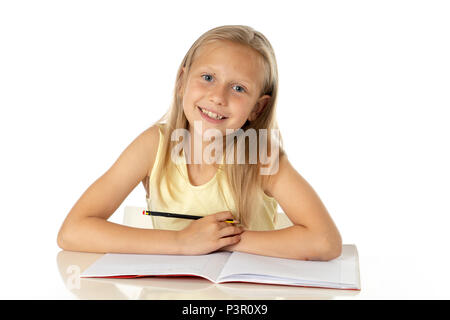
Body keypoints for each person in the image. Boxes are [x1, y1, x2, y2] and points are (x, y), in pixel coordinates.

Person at [57, 25, 342, 261]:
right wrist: (181, 241)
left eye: (238, 88)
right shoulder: (153, 146)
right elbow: (73, 231)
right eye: (207, 77)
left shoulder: (261, 156)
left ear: (257, 107)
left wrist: (222, 240)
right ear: (182, 81)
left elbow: (326, 241)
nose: (218, 96)